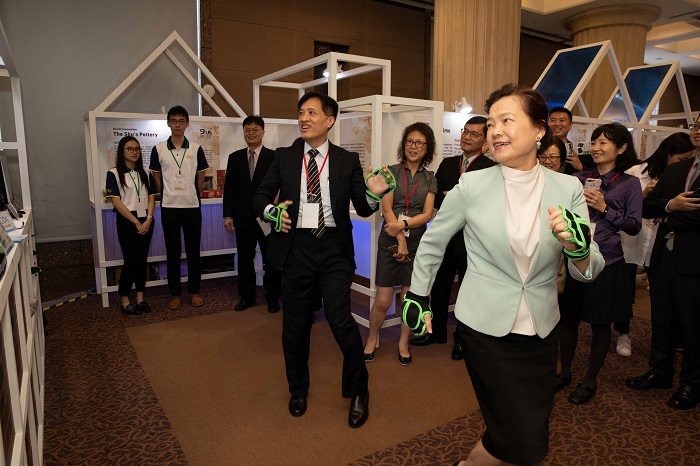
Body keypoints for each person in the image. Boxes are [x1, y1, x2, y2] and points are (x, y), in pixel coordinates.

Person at [404, 84, 604, 466]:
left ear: (540, 129)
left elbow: (589, 270)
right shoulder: (472, 184)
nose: (495, 130)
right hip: (485, 327)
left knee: (519, 433)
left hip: (542, 328)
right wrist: (418, 294)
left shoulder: (568, 188)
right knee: (523, 440)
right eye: (491, 122)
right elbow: (433, 242)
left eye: (507, 120)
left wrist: (578, 249)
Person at [252, 92, 393, 428]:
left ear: (329, 120)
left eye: (312, 112)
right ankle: (297, 389)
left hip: (333, 250)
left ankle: (359, 390)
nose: (304, 118)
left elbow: (361, 206)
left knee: (340, 319)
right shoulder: (285, 157)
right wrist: (273, 213)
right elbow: (259, 196)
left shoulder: (347, 159)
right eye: (301, 112)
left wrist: (374, 193)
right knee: (295, 326)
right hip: (297, 248)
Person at [558, 123, 642, 405]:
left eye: (604, 142)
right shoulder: (577, 178)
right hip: (577, 258)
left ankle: (590, 379)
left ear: (620, 149)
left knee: (599, 323)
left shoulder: (629, 184)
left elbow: (633, 226)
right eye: (594, 141)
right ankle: (565, 372)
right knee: (568, 320)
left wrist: (605, 208)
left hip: (608, 261)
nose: (596, 147)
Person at [626, 119, 700, 410]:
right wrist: (671, 206)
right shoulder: (677, 168)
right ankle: (660, 371)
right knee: (663, 319)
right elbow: (646, 206)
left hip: (694, 261)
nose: (696, 130)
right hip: (663, 257)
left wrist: (669, 213)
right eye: (696, 124)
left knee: (693, 326)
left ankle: (692, 383)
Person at [410, 116, 495, 361]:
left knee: (468, 291)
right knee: (439, 285)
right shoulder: (448, 163)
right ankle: (434, 331)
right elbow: (435, 198)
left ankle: (462, 338)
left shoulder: (490, 168)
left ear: (485, 139)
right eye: (465, 132)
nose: (467, 137)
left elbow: (485, 205)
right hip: (446, 237)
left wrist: (454, 197)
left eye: (474, 134)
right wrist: (453, 199)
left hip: (473, 240)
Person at [362, 122, 437, 366]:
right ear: (403, 145)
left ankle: (403, 343)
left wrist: (404, 227)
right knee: (383, 300)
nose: (413, 147)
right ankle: (372, 339)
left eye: (419, 143)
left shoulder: (430, 178)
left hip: (417, 243)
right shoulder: (391, 172)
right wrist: (400, 237)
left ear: (427, 149)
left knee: (408, 300)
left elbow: (427, 215)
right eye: (409, 141)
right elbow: (386, 209)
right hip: (390, 239)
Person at [618, 132, 695, 357]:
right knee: (625, 293)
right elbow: (621, 208)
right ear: (668, 154)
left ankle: (667, 345)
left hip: (660, 245)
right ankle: (623, 334)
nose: (684, 164)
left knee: (662, 301)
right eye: (680, 159)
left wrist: (665, 210)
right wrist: (644, 196)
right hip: (633, 241)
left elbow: (672, 209)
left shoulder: (683, 177)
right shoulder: (635, 173)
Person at [150, 106, 209, 310]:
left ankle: (194, 291)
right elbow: (156, 175)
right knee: (172, 252)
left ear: (187, 123)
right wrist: (166, 191)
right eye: (173, 121)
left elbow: (201, 174)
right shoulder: (158, 149)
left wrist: (193, 191)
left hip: (192, 206)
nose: (177, 124)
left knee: (194, 252)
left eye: (181, 121)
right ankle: (175, 294)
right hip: (169, 207)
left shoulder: (195, 148)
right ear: (168, 123)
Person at [223, 115, 282, 313]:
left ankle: (273, 296)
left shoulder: (274, 157)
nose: (251, 133)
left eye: (255, 129)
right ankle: (247, 296)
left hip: (267, 218)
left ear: (263, 132)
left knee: (271, 259)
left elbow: (281, 186)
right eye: (247, 129)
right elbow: (229, 189)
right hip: (242, 218)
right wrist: (227, 215)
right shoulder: (235, 157)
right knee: (245, 259)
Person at [105, 136, 157, 315]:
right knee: (131, 261)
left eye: (136, 149)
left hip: (146, 219)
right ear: (122, 151)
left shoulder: (145, 172)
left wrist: (149, 219)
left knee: (142, 260)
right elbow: (116, 202)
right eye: (129, 149)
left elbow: (151, 197)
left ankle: (140, 298)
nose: (134, 152)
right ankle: (125, 299)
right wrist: (136, 222)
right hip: (127, 221)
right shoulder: (113, 173)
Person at [548, 106, 594, 174]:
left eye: (562, 120)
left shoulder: (580, 152)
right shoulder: (538, 148)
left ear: (570, 125)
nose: (557, 124)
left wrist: (580, 167)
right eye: (553, 120)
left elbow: (593, 175)